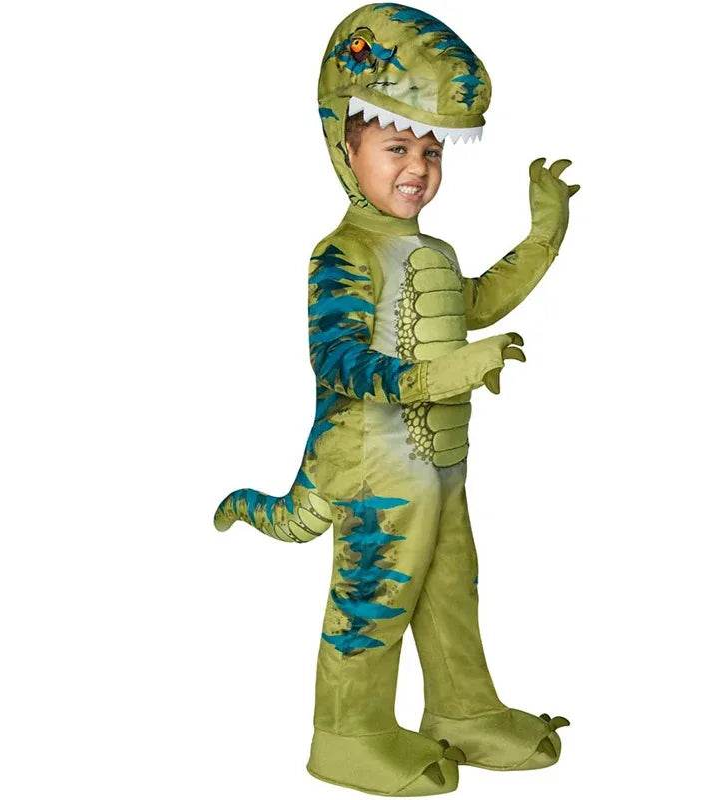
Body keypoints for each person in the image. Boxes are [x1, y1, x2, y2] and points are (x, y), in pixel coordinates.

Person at [214, 4, 579, 795]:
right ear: (345, 146)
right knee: (372, 603)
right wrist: (440, 377)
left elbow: (475, 303)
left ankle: (464, 712)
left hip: (440, 465)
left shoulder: (431, 250)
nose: (418, 167)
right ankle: (346, 736)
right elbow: (337, 359)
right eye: (396, 147)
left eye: (430, 150)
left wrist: (545, 232)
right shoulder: (341, 253)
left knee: (451, 592)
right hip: (369, 467)